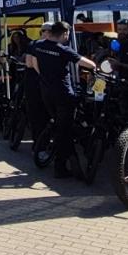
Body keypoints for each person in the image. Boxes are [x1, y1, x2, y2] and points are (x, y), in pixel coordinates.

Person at [27, 21, 97, 179]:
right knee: (64, 131)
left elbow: (33, 63)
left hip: (46, 92)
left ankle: (57, 149)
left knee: (58, 123)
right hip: (63, 94)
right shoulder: (63, 49)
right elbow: (87, 63)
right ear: (64, 34)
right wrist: (96, 67)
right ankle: (61, 167)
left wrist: (45, 78)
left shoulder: (38, 45)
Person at [21, 22, 51, 142]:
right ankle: (42, 144)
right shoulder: (50, 45)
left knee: (36, 115)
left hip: (33, 84)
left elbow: (28, 63)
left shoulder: (32, 44)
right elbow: (30, 63)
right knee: (44, 114)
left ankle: (39, 144)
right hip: (41, 84)